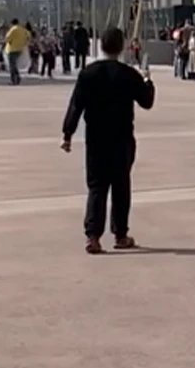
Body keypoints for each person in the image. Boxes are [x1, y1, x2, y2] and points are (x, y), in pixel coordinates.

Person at [61, 27, 156, 254]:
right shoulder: (128, 74)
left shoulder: (88, 73)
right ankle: (120, 234)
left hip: (95, 139)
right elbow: (147, 102)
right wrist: (147, 81)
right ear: (122, 45)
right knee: (121, 186)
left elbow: (76, 105)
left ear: (101, 45)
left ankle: (93, 236)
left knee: (97, 187)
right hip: (122, 137)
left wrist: (67, 134)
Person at [4, 18, 30, 86]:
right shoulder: (23, 29)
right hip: (20, 49)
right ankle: (17, 77)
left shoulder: (13, 29)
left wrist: (9, 42)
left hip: (12, 49)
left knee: (12, 66)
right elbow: (28, 36)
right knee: (14, 64)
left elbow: (7, 38)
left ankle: (14, 80)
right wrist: (24, 43)